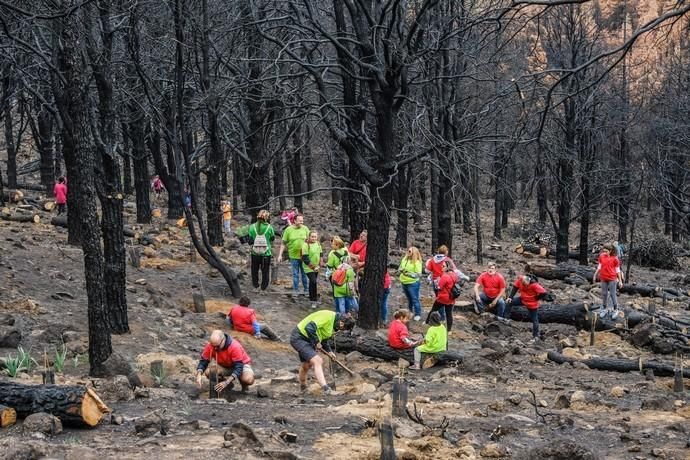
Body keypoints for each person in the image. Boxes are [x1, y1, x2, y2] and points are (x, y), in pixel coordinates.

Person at [290, 310, 356, 395]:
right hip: (299, 337)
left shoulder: (333, 325)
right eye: (342, 328)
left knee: (307, 365)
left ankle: (303, 388)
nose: (340, 329)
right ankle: (326, 390)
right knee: (317, 360)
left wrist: (329, 351)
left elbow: (324, 339)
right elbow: (309, 327)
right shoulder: (327, 316)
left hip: (309, 339)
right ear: (342, 322)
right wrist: (317, 342)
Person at [504, 268, 552, 342]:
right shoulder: (520, 279)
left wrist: (536, 298)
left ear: (529, 281)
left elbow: (544, 293)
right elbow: (515, 287)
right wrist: (510, 297)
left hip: (531, 303)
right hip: (522, 299)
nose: (524, 285)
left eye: (525, 283)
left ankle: (536, 336)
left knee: (535, 319)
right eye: (523, 283)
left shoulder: (534, 285)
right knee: (509, 302)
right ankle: (506, 319)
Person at [277, 214, 310, 298]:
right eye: (300, 221)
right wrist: (280, 255)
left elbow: (311, 241)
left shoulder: (305, 229)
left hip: (304, 256)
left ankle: (306, 290)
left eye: (302, 221)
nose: (302, 222)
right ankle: (296, 291)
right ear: (294, 221)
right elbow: (283, 243)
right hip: (293, 256)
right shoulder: (288, 230)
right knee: (295, 274)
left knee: (304, 274)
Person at [593, 243, 624, 319]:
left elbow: (618, 270)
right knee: (604, 293)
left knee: (613, 294)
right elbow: (599, 266)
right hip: (603, 278)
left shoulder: (615, 259)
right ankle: (604, 308)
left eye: (606, 251)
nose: (604, 252)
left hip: (612, 279)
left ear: (610, 251)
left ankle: (616, 309)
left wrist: (620, 281)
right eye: (604, 251)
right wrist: (595, 275)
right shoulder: (601, 256)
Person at [426, 260, 458, 332]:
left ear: (448, 267)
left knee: (433, 310)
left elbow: (439, 287)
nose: (442, 267)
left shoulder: (445, 276)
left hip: (443, 298)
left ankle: (427, 322)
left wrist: (437, 281)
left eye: (443, 266)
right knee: (449, 314)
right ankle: (449, 330)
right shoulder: (454, 275)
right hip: (451, 298)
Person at [248, 210, 275, 292]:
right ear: (266, 218)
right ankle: (263, 288)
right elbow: (272, 238)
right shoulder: (269, 227)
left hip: (255, 253)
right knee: (265, 271)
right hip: (266, 253)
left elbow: (250, 240)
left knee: (254, 270)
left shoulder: (252, 227)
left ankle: (255, 286)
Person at [399, 246, 423, 321]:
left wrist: (408, 274)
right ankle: (409, 312)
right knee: (409, 299)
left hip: (412, 283)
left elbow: (418, 274)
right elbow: (400, 267)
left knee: (414, 299)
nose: (408, 252)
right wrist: (401, 270)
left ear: (414, 253)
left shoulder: (417, 262)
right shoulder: (404, 259)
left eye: (410, 251)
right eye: (408, 251)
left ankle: (418, 314)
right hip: (404, 282)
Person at [301, 230, 323, 309]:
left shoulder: (318, 243)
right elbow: (305, 258)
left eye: (315, 237)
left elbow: (321, 253)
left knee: (312, 283)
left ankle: (313, 298)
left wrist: (321, 261)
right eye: (312, 236)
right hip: (308, 267)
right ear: (309, 237)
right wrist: (313, 267)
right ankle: (313, 300)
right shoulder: (305, 245)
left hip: (316, 266)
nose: (313, 238)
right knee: (313, 281)